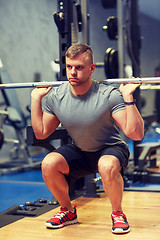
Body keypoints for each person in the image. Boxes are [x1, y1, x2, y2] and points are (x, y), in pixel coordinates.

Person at [31, 43, 144, 234]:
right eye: (69, 67)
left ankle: (117, 213)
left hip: (110, 148)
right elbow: (41, 133)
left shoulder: (108, 94)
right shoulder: (56, 96)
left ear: (92, 69)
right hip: (80, 150)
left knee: (106, 166)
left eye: (79, 67)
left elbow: (135, 134)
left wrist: (127, 97)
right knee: (48, 164)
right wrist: (36, 99)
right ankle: (67, 211)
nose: (73, 72)